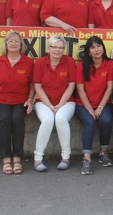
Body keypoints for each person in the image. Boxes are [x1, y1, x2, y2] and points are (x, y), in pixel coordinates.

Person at [0, 31, 34, 175]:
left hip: (21, 100)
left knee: (18, 120)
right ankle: (6, 158)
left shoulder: (28, 62)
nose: (13, 44)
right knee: (5, 120)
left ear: (21, 45)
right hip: (2, 100)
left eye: (17, 41)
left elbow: (32, 84)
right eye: (10, 41)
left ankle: (17, 157)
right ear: (6, 44)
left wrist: (30, 100)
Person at [32, 35, 77, 172]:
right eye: (55, 47)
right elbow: (38, 87)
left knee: (60, 118)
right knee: (47, 120)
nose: (57, 50)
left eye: (61, 48)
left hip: (66, 102)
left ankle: (65, 157)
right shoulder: (40, 63)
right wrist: (50, 106)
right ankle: (38, 159)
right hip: (43, 102)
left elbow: (71, 86)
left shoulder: (69, 62)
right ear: (49, 48)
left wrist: (59, 105)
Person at [74, 36, 113, 175]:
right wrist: (90, 109)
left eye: (98, 46)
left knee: (106, 120)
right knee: (90, 121)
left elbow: (110, 88)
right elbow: (80, 89)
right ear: (88, 51)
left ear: (103, 48)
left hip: (103, 104)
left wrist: (100, 108)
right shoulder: (82, 65)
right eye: (92, 47)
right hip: (83, 105)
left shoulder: (110, 64)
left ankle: (104, 153)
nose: (96, 49)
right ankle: (87, 159)